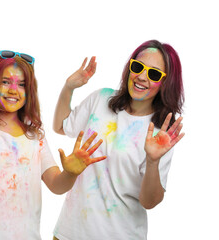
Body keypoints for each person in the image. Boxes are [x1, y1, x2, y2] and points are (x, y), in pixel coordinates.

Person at [0, 50, 106, 240]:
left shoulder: (34, 136)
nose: (13, 90)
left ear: (29, 91)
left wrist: (70, 173)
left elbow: (56, 185)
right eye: (6, 82)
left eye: (22, 84)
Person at [52, 40, 185, 239]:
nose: (141, 77)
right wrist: (68, 88)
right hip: (69, 233)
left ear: (166, 83)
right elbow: (61, 126)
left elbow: (149, 202)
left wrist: (153, 160)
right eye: (138, 67)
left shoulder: (160, 134)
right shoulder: (101, 99)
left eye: (154, 74)